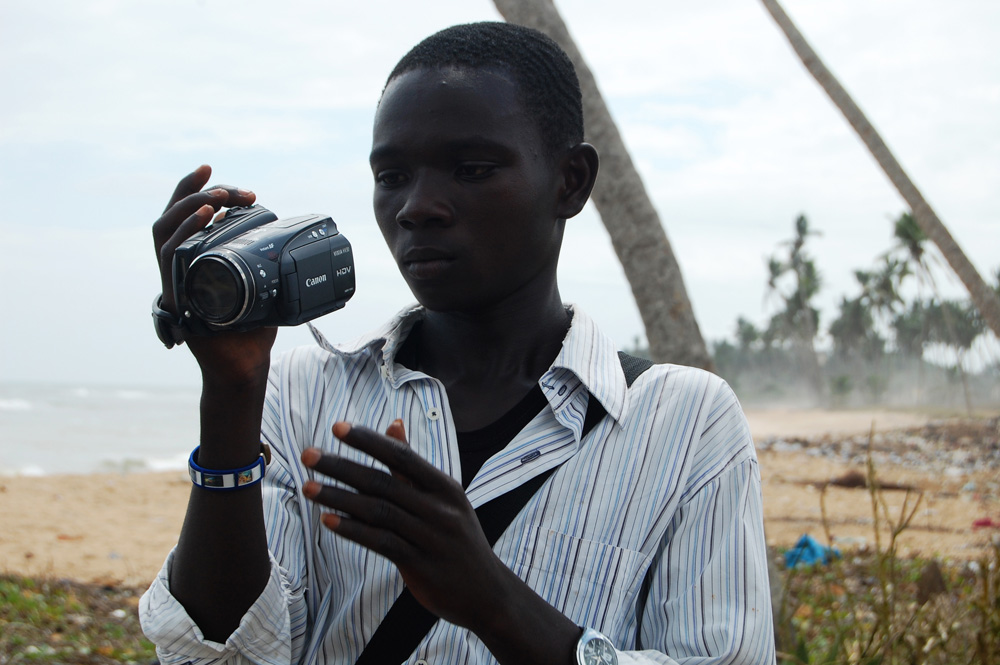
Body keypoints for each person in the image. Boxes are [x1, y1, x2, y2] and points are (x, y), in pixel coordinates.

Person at [140, 21, 775, 665]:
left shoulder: (685, 422)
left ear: (571, 182)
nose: (417, 206)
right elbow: (219, 657)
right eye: (391, 176)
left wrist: (494, 602)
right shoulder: (301, 392)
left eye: (471, 169)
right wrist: (231, 392)